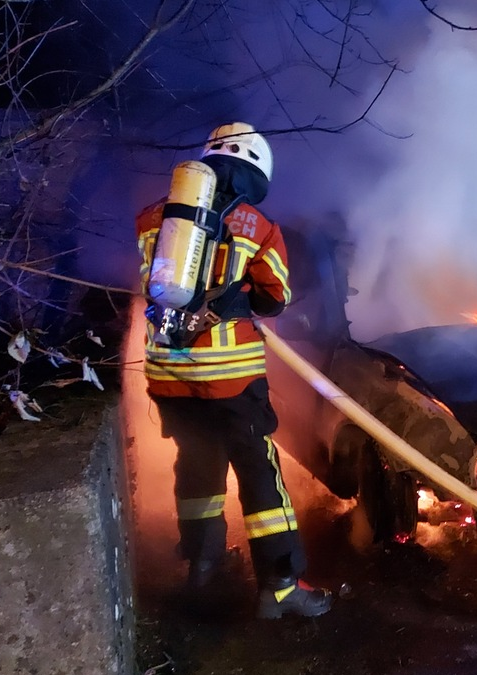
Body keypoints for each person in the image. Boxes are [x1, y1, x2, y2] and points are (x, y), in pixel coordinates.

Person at [136, 122, 331, 619]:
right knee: (260, 475)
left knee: (197, 462)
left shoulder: (154, 216)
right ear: (255, 169)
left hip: (167, 375)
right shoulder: (259, 227)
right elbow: (276, 299)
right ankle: (281, 585)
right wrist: (239, 294)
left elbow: (155, 286)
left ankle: (202, 564)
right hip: (230, 379)